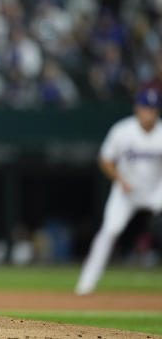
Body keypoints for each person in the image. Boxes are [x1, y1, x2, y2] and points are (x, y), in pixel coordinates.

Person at [75, 87, 162, 295]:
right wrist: (119, 179)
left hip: (155, 190)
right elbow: (105, 159)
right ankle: (85, 284)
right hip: (126, 190)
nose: (149, 112)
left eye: (153, 109)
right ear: (137, 109)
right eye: (145, 108)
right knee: (110, 231)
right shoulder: (122, 130)